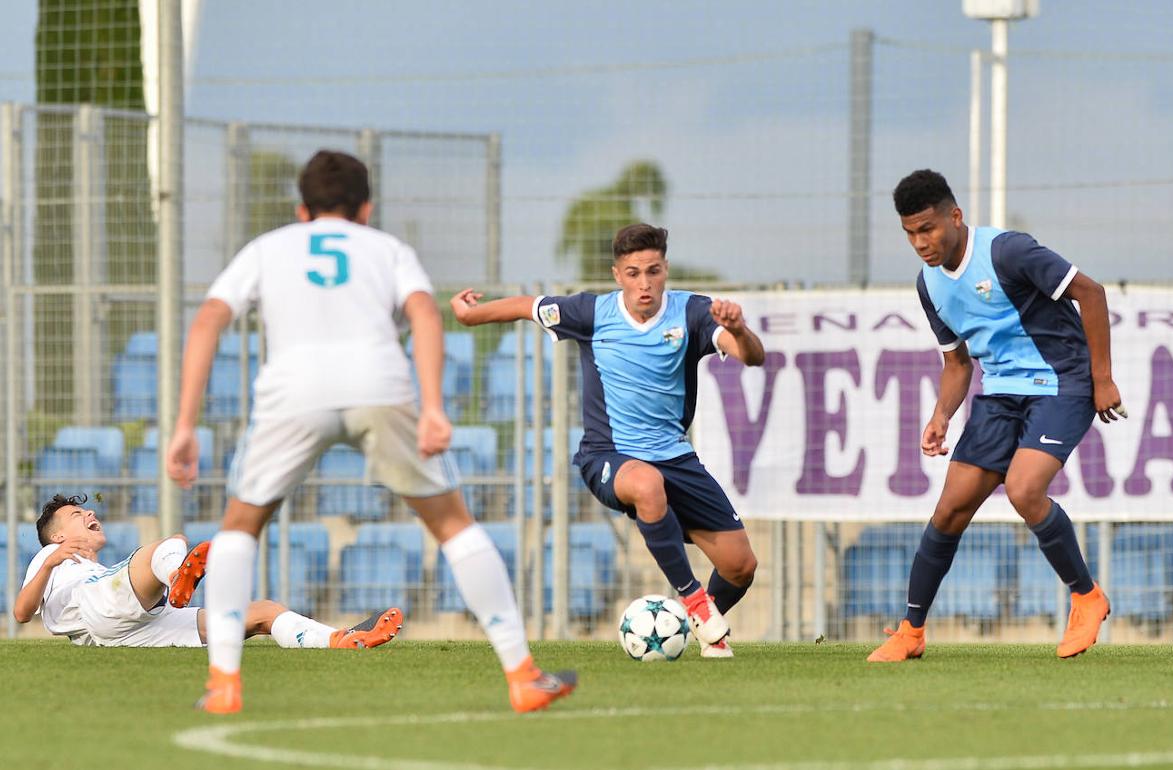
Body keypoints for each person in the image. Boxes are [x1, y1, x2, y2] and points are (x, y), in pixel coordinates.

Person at [166, 150, 575, 714]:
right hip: (378, 384)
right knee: (453, 524)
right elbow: (427, 315)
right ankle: (523, 675)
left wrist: (186, 423)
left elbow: (209, 317)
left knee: (239, 528)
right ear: (366, 208)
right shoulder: (388, 249)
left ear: (301, 209)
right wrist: (433, 407)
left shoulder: (267, 248)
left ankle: (224, 684)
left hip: (293, 392)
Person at [451, 223, 764, 658]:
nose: (645, 284)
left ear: (665, 270)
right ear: (617, 274)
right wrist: (469, 316)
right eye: (634, 273)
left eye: (653, 271)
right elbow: (528, 305)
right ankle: (694, 601)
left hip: (676, 457)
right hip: (609, 458)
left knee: (740, 566)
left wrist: (741, 330)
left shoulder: (692, 312)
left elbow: (753, 356)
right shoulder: (592, 313)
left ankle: (684, 625)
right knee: (647, 484)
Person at [868, 169, 1127, 663]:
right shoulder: (929, 285)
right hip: (1000, 394)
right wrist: (942, 414)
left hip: (1062, 382)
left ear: (955, 216)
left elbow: (1090, 294)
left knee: (1024, 489)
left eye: (928, 229)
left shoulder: (1007, 252)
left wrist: (1102, 379)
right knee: (950, 510)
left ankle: (1087, 596)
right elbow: (957, 362)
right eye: (910, 234)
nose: (921, 243)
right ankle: (911, 631)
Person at [14, 493, 401, 649]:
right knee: (165, 547)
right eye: (78, 515)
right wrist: (51, 559)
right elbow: (21, 613)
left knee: (263, 613)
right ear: (58, 535)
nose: (90, 514)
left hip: (137, 630)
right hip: (103, 610)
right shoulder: (51, 560)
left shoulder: (93, 569)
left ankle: (341, 640)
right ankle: (177, 574)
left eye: (88, 510)